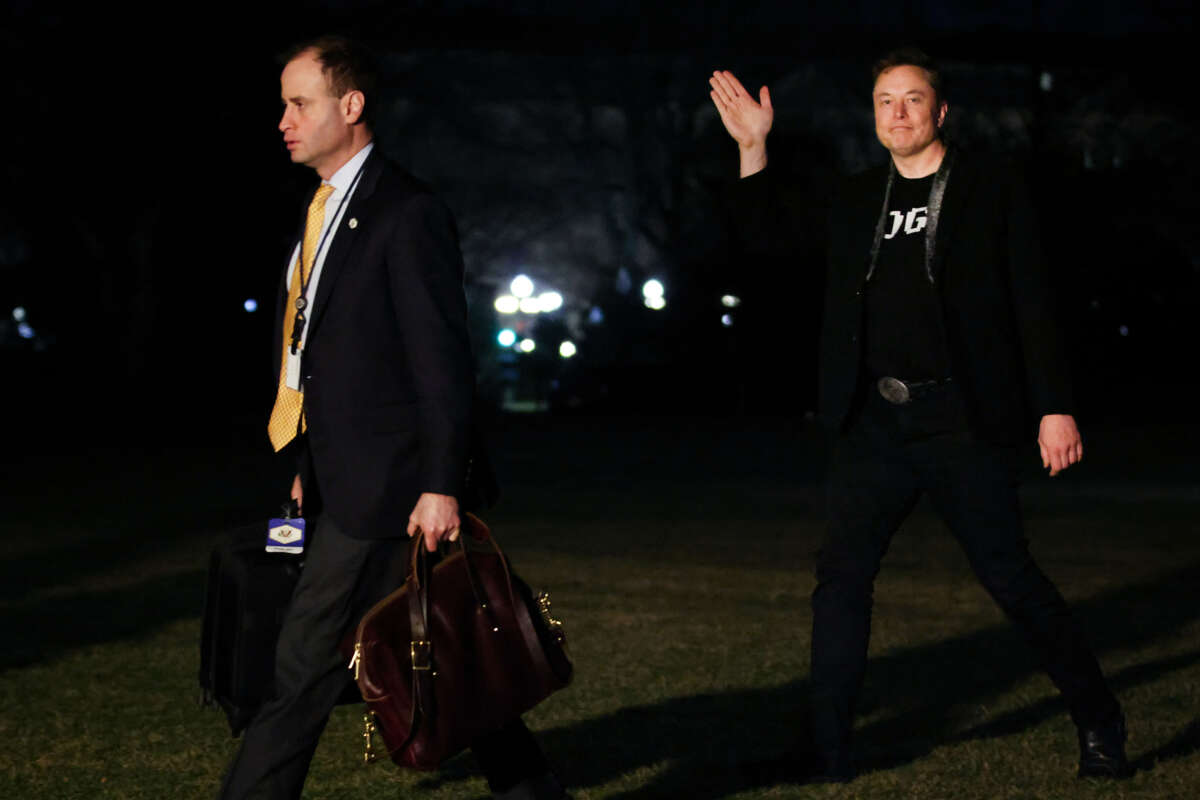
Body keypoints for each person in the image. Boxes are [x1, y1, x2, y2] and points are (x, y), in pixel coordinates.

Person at [709, 47, 1130, 783]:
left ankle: (1099, 721)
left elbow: (1034, 301)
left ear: (940, 112)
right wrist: (753, 147)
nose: (897, 113)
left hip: (962, 420)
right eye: (883, 102)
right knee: (841, 580)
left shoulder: (991, 189)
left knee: (1010, 577)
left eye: (911, 100)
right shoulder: (856, 196)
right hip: (874, 425)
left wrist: (1054, 407)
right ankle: (830, 749)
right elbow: (766, 247)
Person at [217, 36, 568, 800]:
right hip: (342, 481)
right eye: (282, 102)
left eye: (299, 102)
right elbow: (319, 357)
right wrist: (308, 468)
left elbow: (440, 361)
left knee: (303, 664)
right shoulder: (319, 212)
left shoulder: (405, 213)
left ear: (352, 105)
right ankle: (531, 788)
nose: (283, 118)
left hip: (394, 489)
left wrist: (440, 484)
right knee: (443, 648)